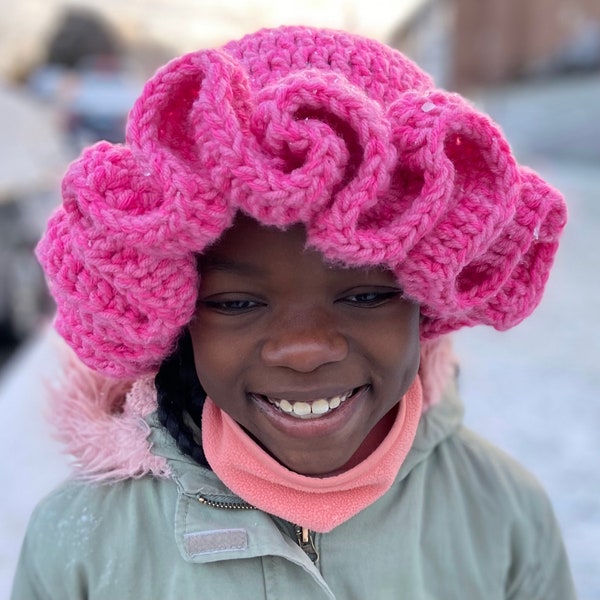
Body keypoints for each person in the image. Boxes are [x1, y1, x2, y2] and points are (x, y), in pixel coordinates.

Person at [11, 25, 576, 599]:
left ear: (426, 302)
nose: (304, 349)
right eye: (236, 303)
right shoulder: (84, 548)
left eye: (365, 296)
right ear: (176, 318)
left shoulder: (502, 519)